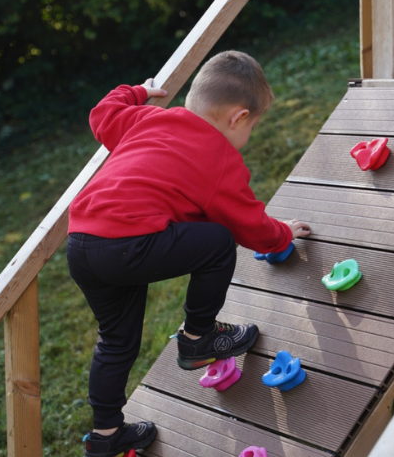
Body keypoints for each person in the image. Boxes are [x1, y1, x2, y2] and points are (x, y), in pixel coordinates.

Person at [66, 50, 311, 457]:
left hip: (83, 243)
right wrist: (282, 236)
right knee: (217, 241)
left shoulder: (147, 118)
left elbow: (102, 115)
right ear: (238, 118)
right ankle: (198, 337)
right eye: (253, 125)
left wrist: (138, 91)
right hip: (129, 244)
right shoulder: (218, 157)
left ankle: (107, 437)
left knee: (115, 342)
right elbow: (249, 224)